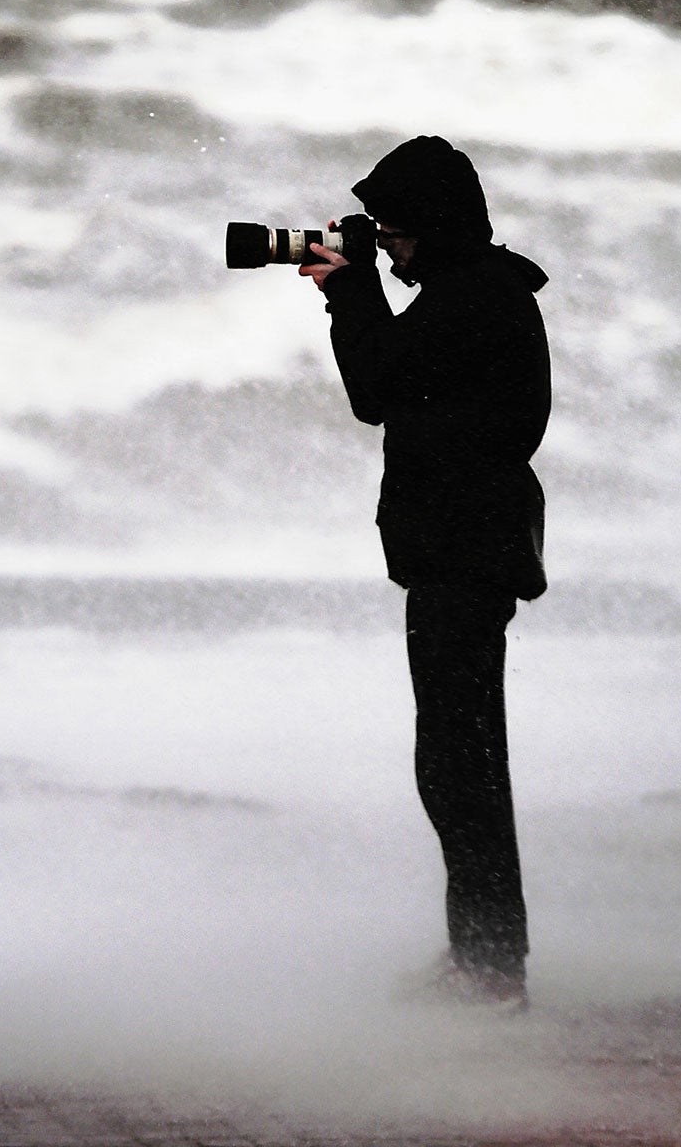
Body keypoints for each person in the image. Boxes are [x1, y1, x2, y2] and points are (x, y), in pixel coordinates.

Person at [298, 135, 550, 1007]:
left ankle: (490, 969)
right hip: (462, 551)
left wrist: (348, 289)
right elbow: (399, 385)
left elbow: (376, 386)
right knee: (457, 758)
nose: (391, 248)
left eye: (398, 233)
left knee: (460, 763)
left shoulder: (475, 295)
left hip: (463, 555)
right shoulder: (472, 290)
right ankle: (483, 957)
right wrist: (359, 283)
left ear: (437, 226)